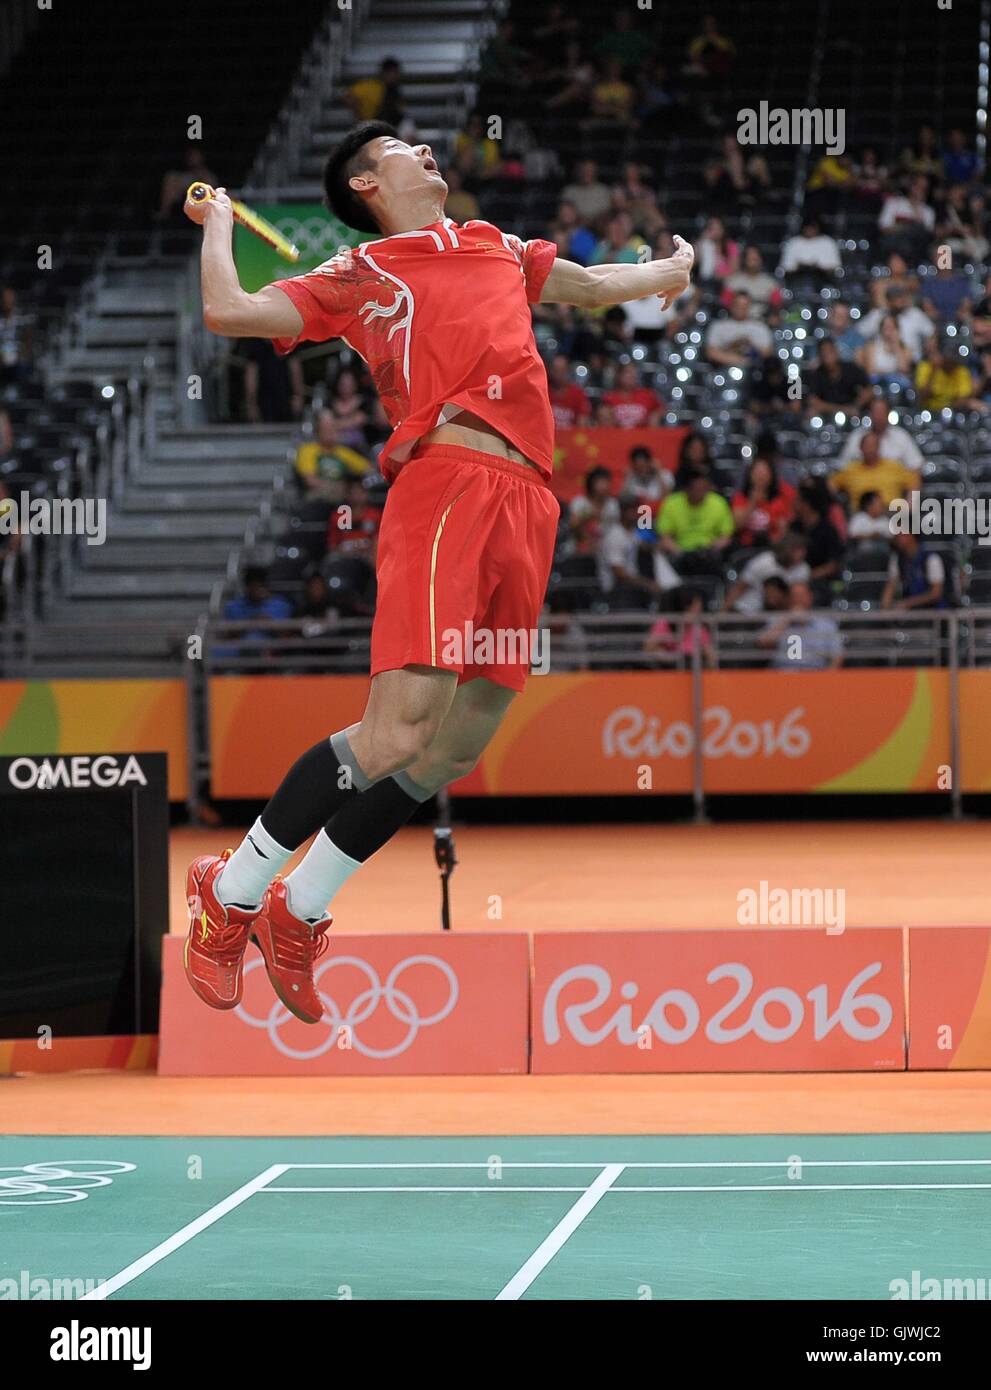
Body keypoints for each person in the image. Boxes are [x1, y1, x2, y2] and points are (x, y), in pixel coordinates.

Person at [181, 121, 695, 1018]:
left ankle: (298, 911)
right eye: (400, 150)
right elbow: (228, 311)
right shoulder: (361, 275)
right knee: (394, 735)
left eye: (424, 146)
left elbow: (587, 285)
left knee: (456, 745)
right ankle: (229, 892)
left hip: (528, 501)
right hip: (447, 486)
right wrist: (219, 222)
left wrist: (667, 271)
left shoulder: (495, 244)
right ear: (367, 186)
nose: (425, 153)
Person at [656, 469, 734, 575]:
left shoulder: (718, 502)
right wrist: (681, 553)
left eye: (703, 488)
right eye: (696, 489)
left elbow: (726, 537)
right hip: (679, 552)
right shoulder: (671, 503)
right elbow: (665, 537)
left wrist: (710, 549)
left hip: (709, 552)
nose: (700, 492)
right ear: (686, 489)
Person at [759, 581, 843, 670]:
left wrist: (827, 679)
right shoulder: (776, 620)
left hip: (815, 676)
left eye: (802, 596)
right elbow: (764, 643)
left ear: (810, 598)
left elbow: (838, 656)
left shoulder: (826, 624)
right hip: (782, 675)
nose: (798, 600)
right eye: (794, 596)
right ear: (788, 599)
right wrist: (788, 620)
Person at [723, 531, 809, 615]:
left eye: (803, 550)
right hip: (748, 611)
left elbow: (799, 597)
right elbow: (740, 587)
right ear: (787, 549)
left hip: (780, 615)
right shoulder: (764, 561)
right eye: (798, 550)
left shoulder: (803, 568)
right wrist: (723, 611)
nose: (803, 554)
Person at [294, 409, 371, 500]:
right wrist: (336, 487)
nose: (330, 432)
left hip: (342, 497)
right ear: (318, 430)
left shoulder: (343, 452)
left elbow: (367, 468)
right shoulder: (307, 450)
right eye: (326, 428)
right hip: (317, 497)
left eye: (333, 427)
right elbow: (310, 481)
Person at [831, 430, 918, 509]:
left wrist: (909, 503)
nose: (871, 449)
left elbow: (914, 482)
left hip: (890, 513)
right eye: (867, 446)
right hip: (860, 516)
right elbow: (831, 485)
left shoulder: (894, 467)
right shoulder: (850, 470)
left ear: (879, 448)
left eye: (873, 446)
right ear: (861, 448)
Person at [838, 396, 924, 472]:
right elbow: (842, 468)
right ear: (870, 414)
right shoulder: (856, 436)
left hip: (892, 487)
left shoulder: (901, 436)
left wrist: (914, 491)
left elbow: (916, 470)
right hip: (860, 486)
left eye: (881, 412)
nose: (878, 417)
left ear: (888, 414)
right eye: (875, 412)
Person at [731, 457, 796, 546]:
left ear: (771, 475)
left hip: (774, 546)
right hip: (746, 546)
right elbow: (737, 525)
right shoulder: (740, 498)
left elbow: (786, 526)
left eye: (764, 472)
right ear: (750, 475)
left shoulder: (782, 496)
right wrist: (752, 502)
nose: (760, 476)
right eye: (757, 472)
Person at [803, 337, 872, 415]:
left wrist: (857, 404)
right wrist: (843, 410)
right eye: (823, 353)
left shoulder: (851, 369)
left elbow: (869, 390)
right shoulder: (816, 375)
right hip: (827, 415)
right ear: (820, 356)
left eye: (830, 351)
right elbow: (813, 401)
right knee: (811, 412)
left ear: (836, 352)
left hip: (854, 413)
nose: (827, 356)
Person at [705, 291, 773, 366]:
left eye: (744, 305)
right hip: (724, 368)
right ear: (731, 305)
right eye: (737, 304)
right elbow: (711, 353)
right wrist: (737, 357)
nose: (740, 308)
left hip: (754, 370)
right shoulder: (718, 326)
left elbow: (767, 353)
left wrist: (749, 345)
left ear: (750, 306)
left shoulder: (760, 327)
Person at [881, 533, 947, 610]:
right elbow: (891, 586)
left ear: (912, 535)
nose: (898, 539)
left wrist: (908, 603)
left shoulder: (931, 558)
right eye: (896, 536)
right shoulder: (898, 559)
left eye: (902, 534)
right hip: (910, 612)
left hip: (934, 611)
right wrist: (885, 607)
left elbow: (936, 593)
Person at [602, 361, 664, 427]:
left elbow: (661, 408)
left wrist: (656, 415)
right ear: (619, 375)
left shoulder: (646, 395)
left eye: (634, 373)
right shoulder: (609, 397)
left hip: (642, 435)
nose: (632, 376)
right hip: (616, 434)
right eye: (628, 372)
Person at [546, 354, 591, 427]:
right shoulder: (544, 392)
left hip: (571, 436)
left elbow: (583, 422)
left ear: (568, 371)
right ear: (550, 372)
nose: (559, 374)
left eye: (562, 370)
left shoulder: (577, 393)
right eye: (556, 370)